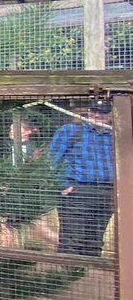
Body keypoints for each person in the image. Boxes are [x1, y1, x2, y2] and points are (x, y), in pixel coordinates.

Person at [48, 99, 114, 257]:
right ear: (89, 112)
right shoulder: (70, 131)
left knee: (95, 241)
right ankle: (67, 275)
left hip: (106, 191)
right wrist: (63, 185)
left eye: (103, 112)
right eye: (95, 111)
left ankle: (89, 278)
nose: (98, 116)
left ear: (110, 115)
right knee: (72, 239)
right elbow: (50, 161)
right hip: (77, 191)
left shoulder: (114, 134)